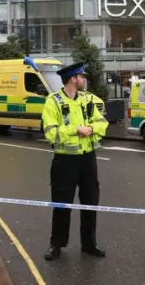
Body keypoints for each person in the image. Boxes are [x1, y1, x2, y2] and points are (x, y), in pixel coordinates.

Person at [41, 62, 109, 261]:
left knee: (90, 203)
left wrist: (91, 129)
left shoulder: (87, 100)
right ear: (73, 79)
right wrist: (75, 129)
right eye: (82, 76)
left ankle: (89, 244)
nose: (84, 79)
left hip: (88, 159)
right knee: (62, 205)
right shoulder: (52, 102)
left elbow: (102, 123)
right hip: (65, 162)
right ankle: (56, 245)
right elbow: (50, 133)